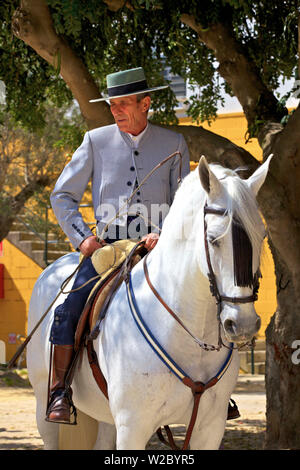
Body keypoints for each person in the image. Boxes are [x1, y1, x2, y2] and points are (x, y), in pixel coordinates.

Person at [45, 67, 191, 424]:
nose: (116, 111)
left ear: (146, 103)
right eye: (113, 105)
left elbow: (187, 201)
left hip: (160, 251)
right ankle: (59, 392)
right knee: (69, 307)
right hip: (105, 253)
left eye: (124, 104)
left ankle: (217, 389)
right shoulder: (94, 141)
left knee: (205, 295)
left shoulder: (174, 145)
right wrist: (83, 239)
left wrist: (167, 233)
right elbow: (62, 195)